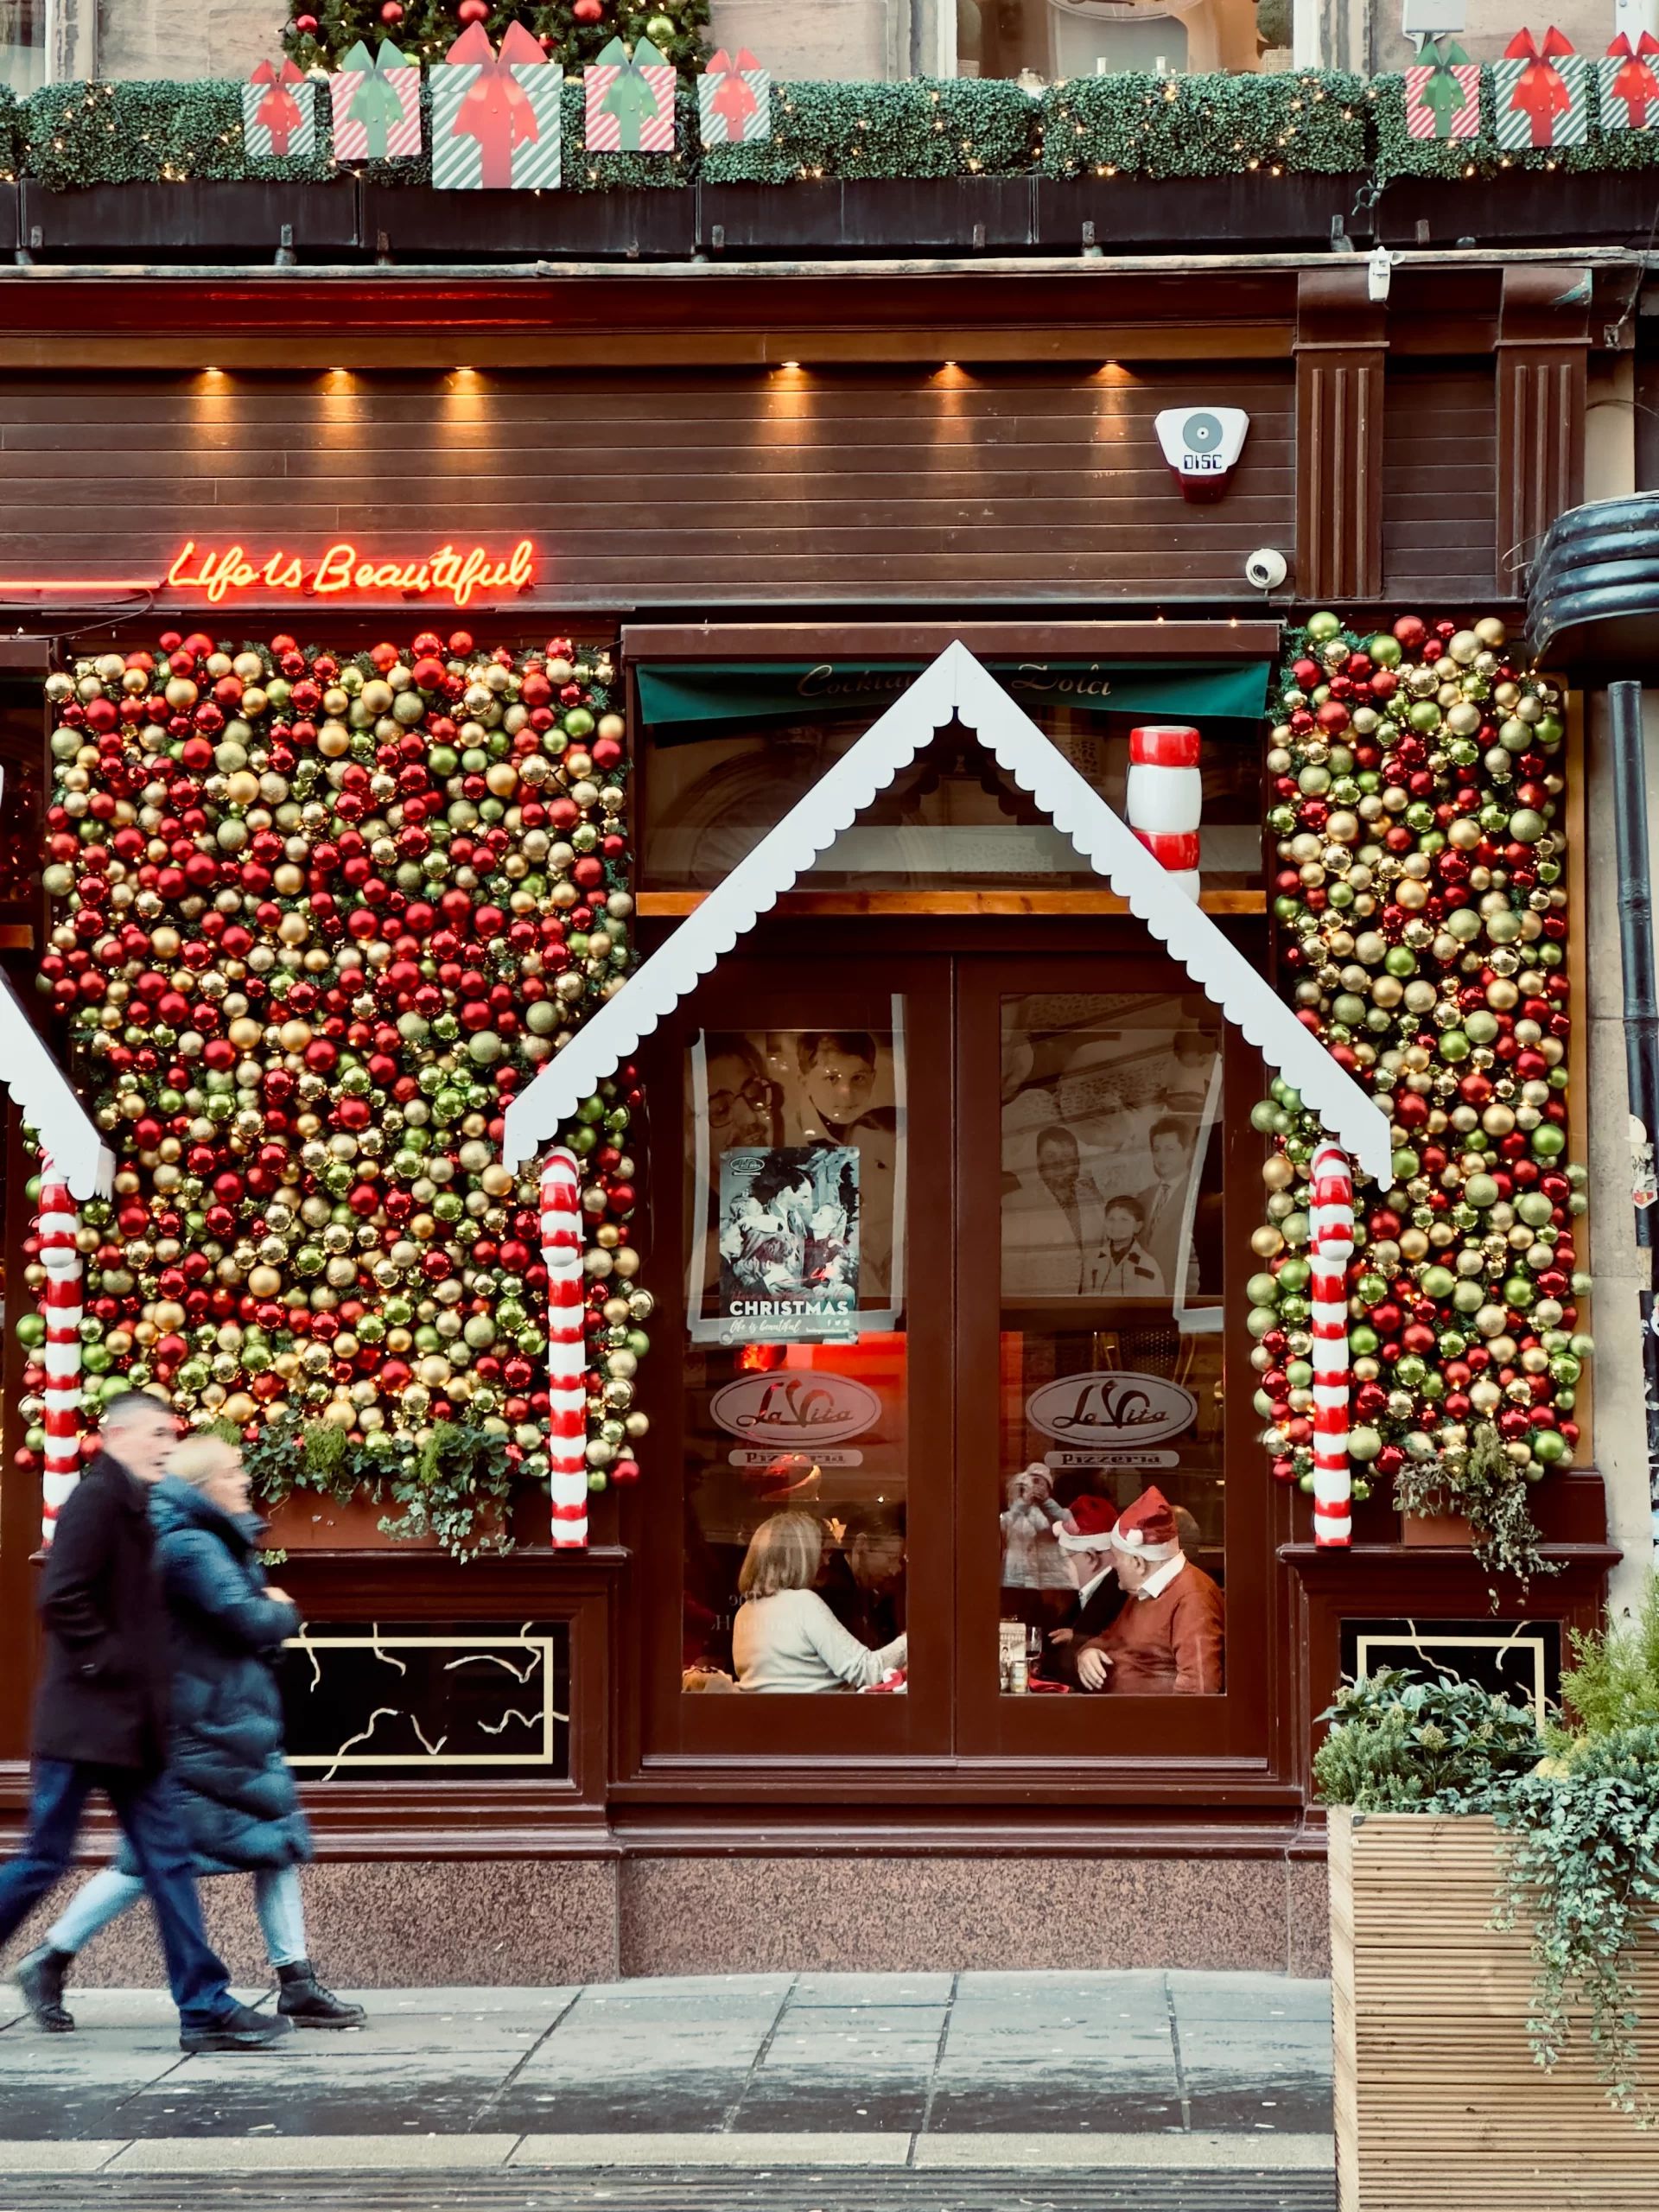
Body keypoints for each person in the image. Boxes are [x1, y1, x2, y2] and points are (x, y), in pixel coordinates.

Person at [26, 1433, 363, 2032]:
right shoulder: (192, 1546)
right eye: (234, 1473)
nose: (244, 1483)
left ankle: (296, 1980)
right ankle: (50, 1958)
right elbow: (247, 1616)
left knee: (269, 1843)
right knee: (152, 1861)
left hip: (223, 1722)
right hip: (204, 1727)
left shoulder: (196, 1537)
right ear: (206, 1484)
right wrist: (281, 1606)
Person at [2, 1394, 289, 2051]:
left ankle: (204, 2009)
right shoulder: (95, 1502)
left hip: (133, 1726)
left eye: (173, 1434)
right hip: (84, 1725)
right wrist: (118, 1669)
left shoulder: (136, 1509)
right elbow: (62, 1597)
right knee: (45, 1858)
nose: (167, 1444)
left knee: (168, 1861)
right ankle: (203, 2006)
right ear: (120, 1434)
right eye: (158, 1433)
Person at [1071, 1485, 1224, 1696]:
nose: (1113, 1566)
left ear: (1138, 1562)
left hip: (1146, 1723)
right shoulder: (1145, 1590)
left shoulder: (1193, 1598)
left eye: (1117, 1558)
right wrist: (1088, 1652)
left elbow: (1198, 1691)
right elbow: (1111, 1639)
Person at [732, 1512, 906, 1692]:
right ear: (799, 1557)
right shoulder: (803, 1604)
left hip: (772, 1717)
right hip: (823, 1717)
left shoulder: (744, 1612)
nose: (826, 1561)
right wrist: (912, 1638)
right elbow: (867, 1670)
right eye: (819, 1552)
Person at [1036, 1495, 1126, 1688]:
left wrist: (1078, 1640)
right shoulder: (1087, 1594)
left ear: (1091, 1557)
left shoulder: (1121, 1594)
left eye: (1064, 1557)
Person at [1031, 1125, 1109, 1295]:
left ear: (1077, 1161)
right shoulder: (1022, 1204)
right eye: (1051, 1156)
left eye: (1067, 1156)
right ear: (1038, 1161)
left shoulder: (1094, 1201)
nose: (1059, 1164)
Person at [821, 1504, 906, 1649]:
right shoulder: (832, 1592)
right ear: (862, 1544)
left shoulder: (873, 1592)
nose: (895, 1570)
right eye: (891, 1558)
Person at [1134, 1117, 1198, 1295]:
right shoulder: (1143, 1198)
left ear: (1187, 1152)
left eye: (1170, 1149)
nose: (1161, 1157)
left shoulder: (1197, 1194)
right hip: (1145, 1297)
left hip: (1182, 1297)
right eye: (1156, 1150)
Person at [1088, 1193, 1165, 1296]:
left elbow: (1152, 1304)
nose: (1116, 1225)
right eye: (1111, 1219)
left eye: (1124, 1220)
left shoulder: (1146, 1263)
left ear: (1138, 1226)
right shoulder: (1093, 1258)